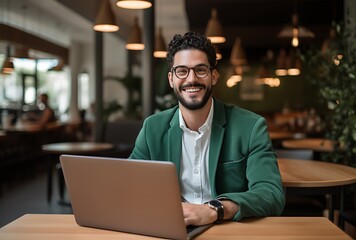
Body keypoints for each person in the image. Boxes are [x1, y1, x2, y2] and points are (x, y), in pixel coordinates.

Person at [129, 32, 285, 226]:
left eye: (200, 70)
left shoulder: (251, 127)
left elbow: (271, 193)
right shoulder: (152, 128)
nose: (191, 79)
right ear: (171, 79)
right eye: (182, 71)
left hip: (228, 230)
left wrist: (215, 210)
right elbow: (130, 186)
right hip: (173, 229)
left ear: (213, 76)